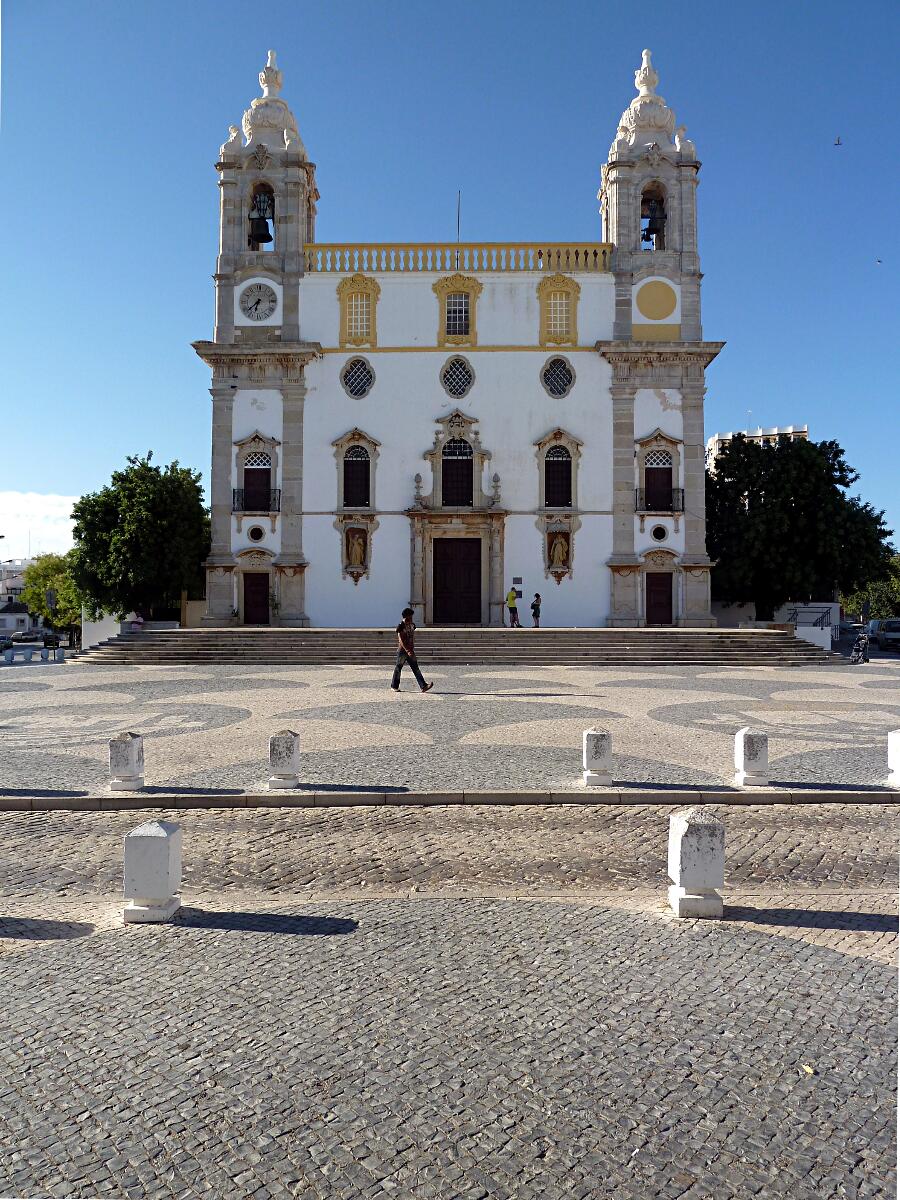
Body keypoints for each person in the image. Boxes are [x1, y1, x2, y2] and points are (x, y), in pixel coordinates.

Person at [391, 607, 434, 692]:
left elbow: (412, 635)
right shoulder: (401, 626)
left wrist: (412, 647)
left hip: (410, 649)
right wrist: (407, 650)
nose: (411, 618)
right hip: (402, 651)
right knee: (398, 668)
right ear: (406, 616)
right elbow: (401, 640)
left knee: (415, 667)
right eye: (410, 616)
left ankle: (423, 686)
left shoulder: (412, 625)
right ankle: (394, 686)